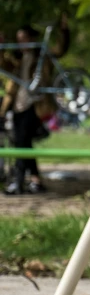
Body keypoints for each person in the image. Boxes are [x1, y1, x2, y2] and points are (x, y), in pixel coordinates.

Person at [0, 19, 70, 195]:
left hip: (34, 106)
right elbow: (3, 65)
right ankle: (35, 180)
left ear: (31, 38)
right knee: (23, 143)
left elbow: (60, 50)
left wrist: (64, 32)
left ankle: (18, 181)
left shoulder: (42, 57)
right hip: (17, 107)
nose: (21, 42)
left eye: (24, 38)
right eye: (19, 39)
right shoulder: (18, 59)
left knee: (22, 143)